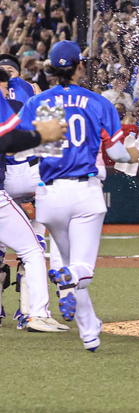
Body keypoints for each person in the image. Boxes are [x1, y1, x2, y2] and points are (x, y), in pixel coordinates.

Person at [19, 42, 139, 350]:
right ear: (78, 66)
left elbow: (29, 146)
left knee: (73, 269)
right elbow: (114, 151)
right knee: (82, 269)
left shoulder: (40, 101)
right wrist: (133, 153)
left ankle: (89, 333)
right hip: (84, 191)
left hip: (50, 195)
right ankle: (66, 275)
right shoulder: (97, 102)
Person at [0, 67, 69, 333]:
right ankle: (35, 313)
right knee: (33, 249)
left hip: (16, 181)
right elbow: (10, 139)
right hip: (31, 176)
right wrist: (43, 134)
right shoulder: (31, 104)